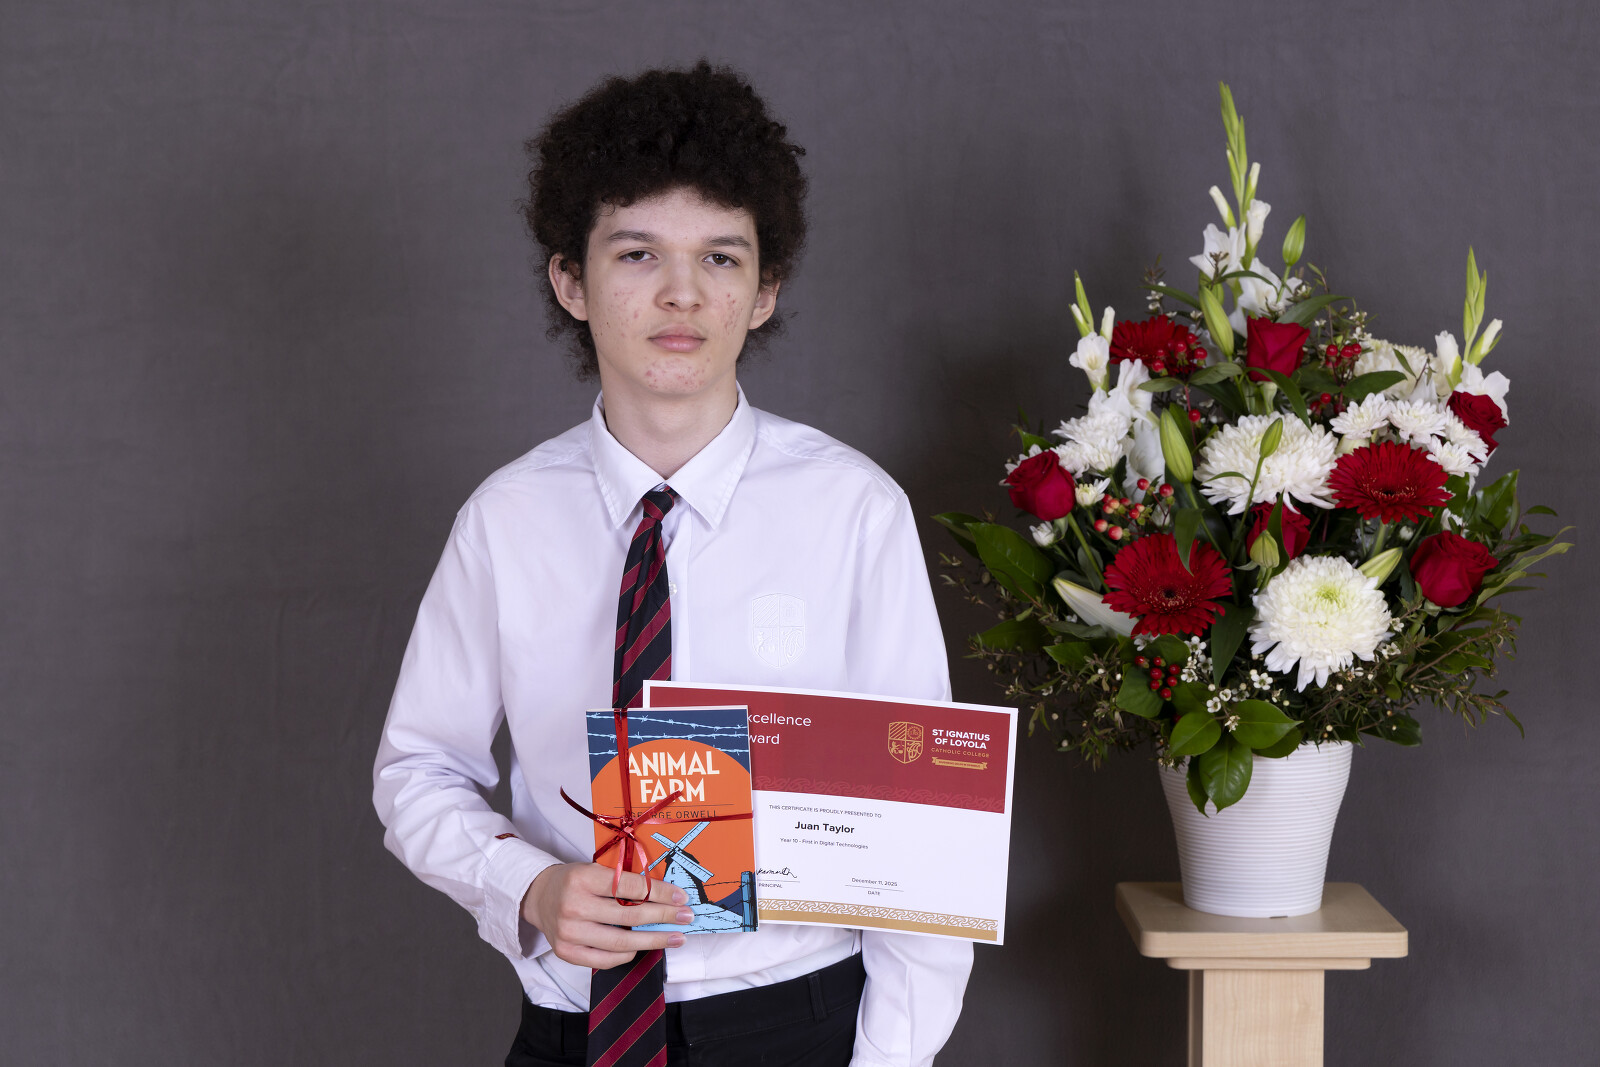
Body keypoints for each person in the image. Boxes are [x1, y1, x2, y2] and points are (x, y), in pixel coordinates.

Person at [372, 61, 972, 1067]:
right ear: (571, 280)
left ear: (764, 290)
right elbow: (417, 770)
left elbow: (922, 829)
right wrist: (530, 885)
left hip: (795, 1028)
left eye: (721, 257)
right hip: (573, 1030)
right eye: (638, 253)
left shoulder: (853, 513)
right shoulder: (506, 521)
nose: (681, 292)